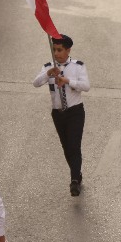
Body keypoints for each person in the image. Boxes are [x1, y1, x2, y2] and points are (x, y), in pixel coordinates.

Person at [33, 34, 90, 197]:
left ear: (68, 50)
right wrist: (48, 74)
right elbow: (35, 83)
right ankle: (76, 173)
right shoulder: (49, 66)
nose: (56, 53)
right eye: (54, 50)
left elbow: (86, 86)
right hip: (58, 113)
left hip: (75, 111)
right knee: (66, 148)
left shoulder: (78, 66)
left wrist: (67, 81)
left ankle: (73, 181)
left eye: (60, 50)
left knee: (74, 145)